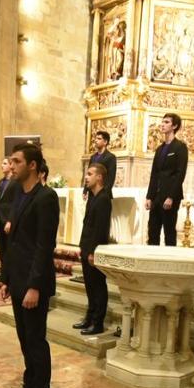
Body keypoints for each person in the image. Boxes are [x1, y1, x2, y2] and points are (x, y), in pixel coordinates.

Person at [0, 142, 59, 388]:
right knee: (24, 338)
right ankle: (29, 387)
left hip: (34, 282)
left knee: (36, 341)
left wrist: (34, 286)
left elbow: (44, 247)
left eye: (17, 161)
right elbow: (13, 242)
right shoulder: (17, 193)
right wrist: (6, 278)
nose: (12, 165)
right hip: (19, 277)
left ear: (32, 165)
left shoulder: (46, 197)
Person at [73, 162, 112, 335]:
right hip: (87, 246)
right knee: (89, 286)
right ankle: (89, 317)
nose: (86, 177)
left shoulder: (104, 198)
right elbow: (87, 225)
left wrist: (93, 252)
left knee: (98, 286)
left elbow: (100, 229)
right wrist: (83, 247)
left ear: (99, 177)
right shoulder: (93, 196)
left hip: (94, 250)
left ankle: (98, 322)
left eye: (89, 174)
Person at [146, 113, 188, 246]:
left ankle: (170, 262)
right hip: (156, 196)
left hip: (170, 196)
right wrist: (149, 196)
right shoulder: (160, 149)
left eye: (166, 122)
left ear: (174, 126)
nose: (162, 125)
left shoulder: (180, 147)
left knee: (169, 231)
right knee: (152, 231)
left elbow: (180, 174)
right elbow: (154, 174)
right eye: (162, 122)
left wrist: (171, 196)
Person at [0, 158, 16, 280]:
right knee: (1, 247)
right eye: (2, 163)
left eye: (5, 163)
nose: (2, 165)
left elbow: (15, 203)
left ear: (11, 165)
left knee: (9, 247)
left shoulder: (16, 182)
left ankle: (9, 274)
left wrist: (10, 220)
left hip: (8, 219)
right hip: (0, 217)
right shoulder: (0, 182)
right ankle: (3, 272)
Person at [85, 130, 117, 198]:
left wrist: (104, 193)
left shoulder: (111, 157)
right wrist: (85, 189)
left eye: (99, 139)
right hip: (92, 194)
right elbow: (89, 174)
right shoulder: (93, 157)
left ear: (105, 142)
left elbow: (111, 177)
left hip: (104, 194)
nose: (96, 140)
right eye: (96, 138)